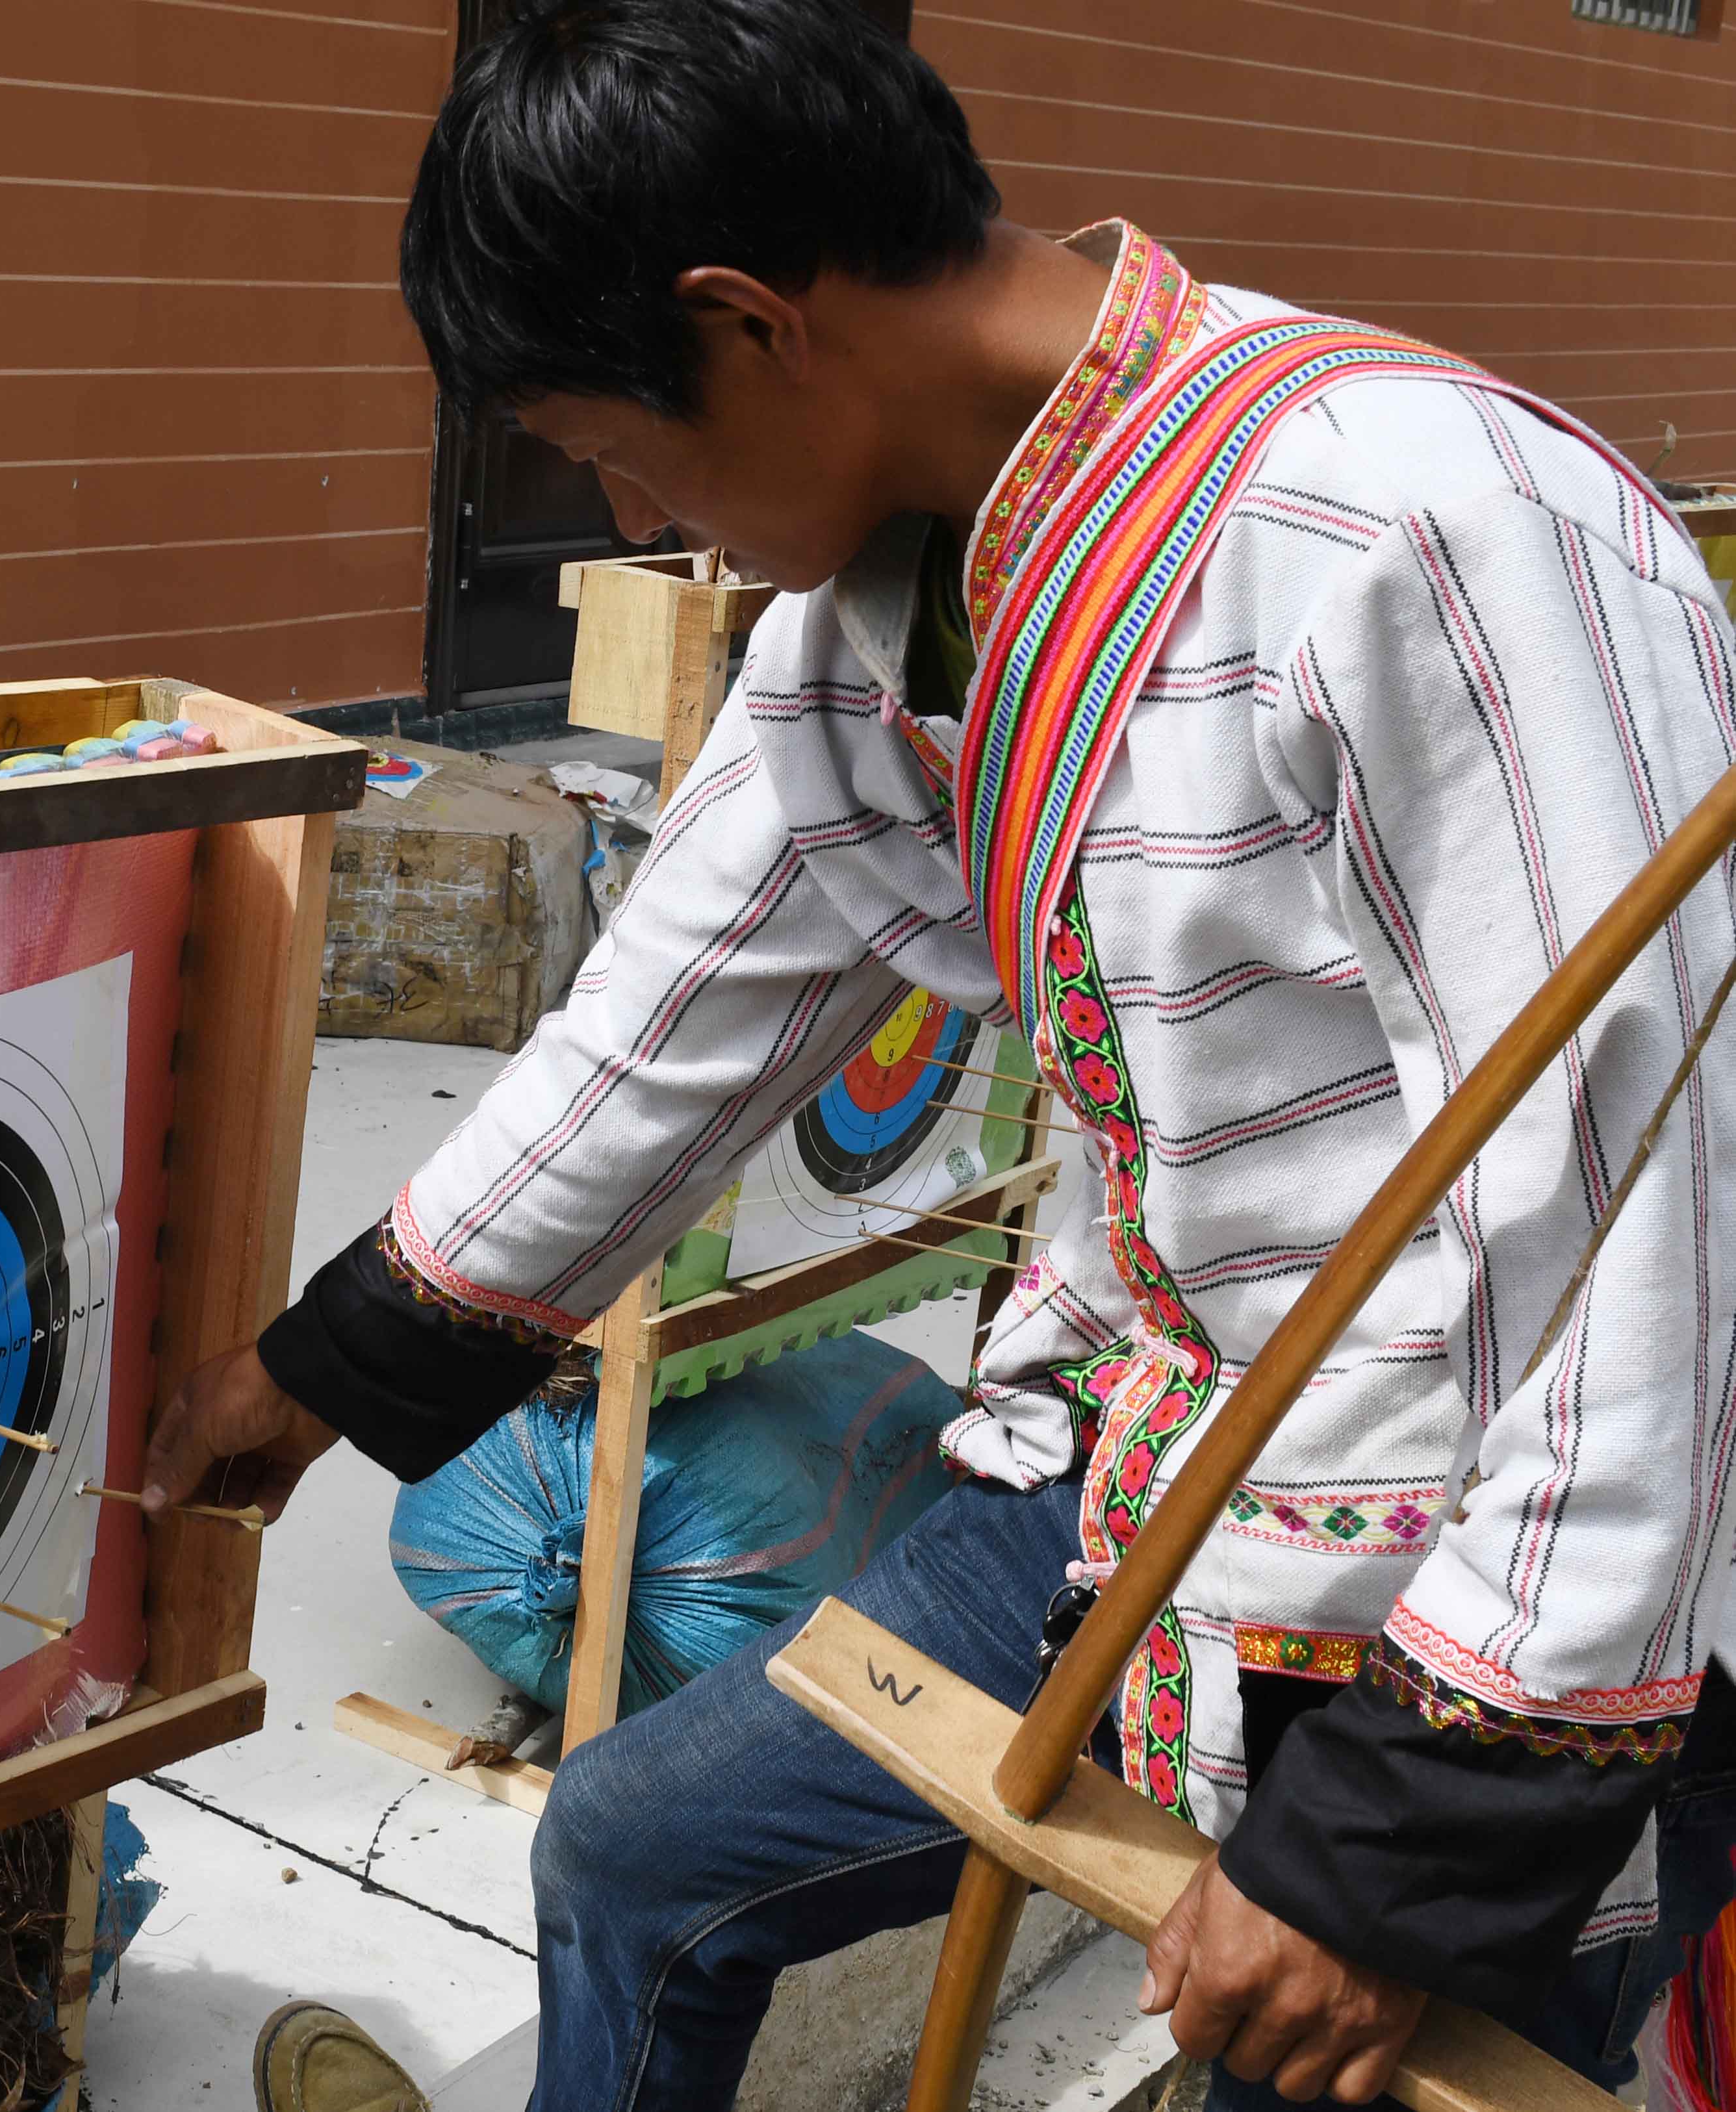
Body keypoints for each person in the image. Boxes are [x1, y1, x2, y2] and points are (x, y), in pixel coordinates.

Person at [140, 4, 1736, 2109]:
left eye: (623, 453)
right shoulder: (870, 625)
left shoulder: (1426, 526)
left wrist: (1395, 1848)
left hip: (1487, 1592)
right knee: (634, 1847)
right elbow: (668, 1013)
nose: (645, 517)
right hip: (1145, 1472)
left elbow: (1655, 1229)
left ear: (752, 326)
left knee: (1278, 2064)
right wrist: (329, 1366)